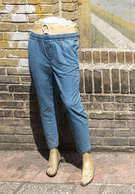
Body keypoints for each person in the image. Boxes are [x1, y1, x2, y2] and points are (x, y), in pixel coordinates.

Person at [28, 18, 94, 186]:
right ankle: (53, 151)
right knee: (45, 102)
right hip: (37, 40)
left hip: (64, 41)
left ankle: (86, 157)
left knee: (71, 103)